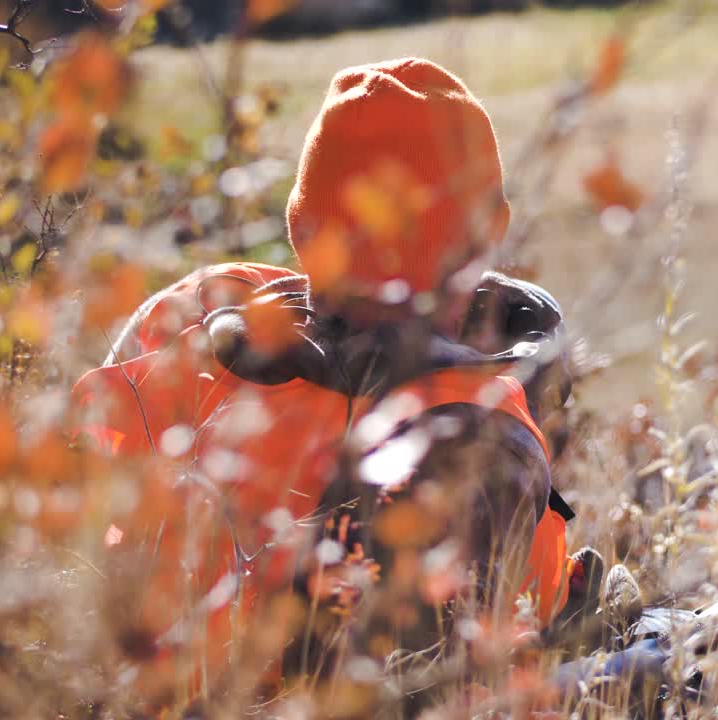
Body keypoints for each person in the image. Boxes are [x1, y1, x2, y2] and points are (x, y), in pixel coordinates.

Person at [70, 57, 621, 704]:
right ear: (490, 234)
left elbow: (84, 544)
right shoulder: (473, 434)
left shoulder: (190, 323)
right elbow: (439, 686)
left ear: (301, 232)